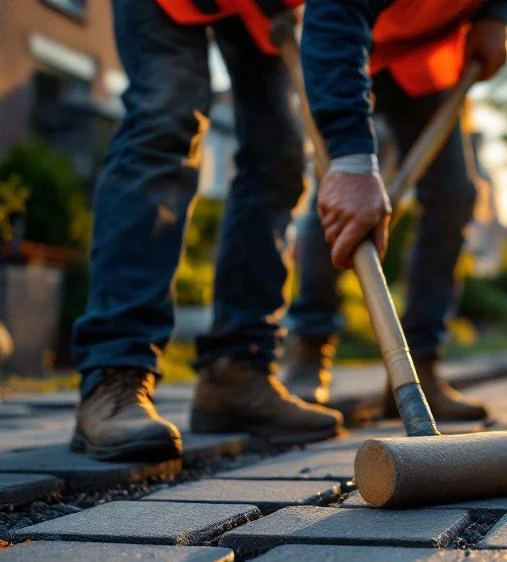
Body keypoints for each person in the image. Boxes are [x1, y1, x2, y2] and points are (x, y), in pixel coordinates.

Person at [71, 0, 343, 462]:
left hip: (258, 13)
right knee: (167, 114)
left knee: (279, 156)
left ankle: (237, 372)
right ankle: (116, 372)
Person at [282, 0, 507, 421]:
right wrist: (351, 165)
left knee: (453, 194)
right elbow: (334, 15)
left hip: (420, 64)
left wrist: (494, 15)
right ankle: (309, 352)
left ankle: (419, 367)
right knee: (337, 194)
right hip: (344, 45)